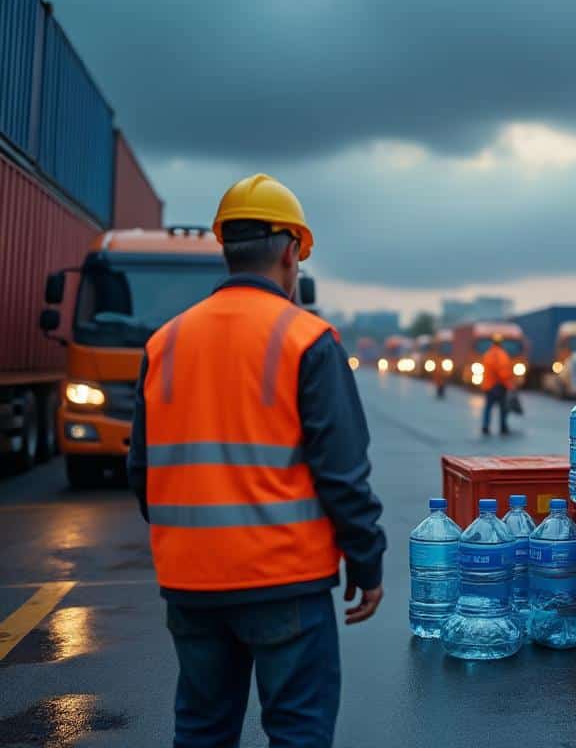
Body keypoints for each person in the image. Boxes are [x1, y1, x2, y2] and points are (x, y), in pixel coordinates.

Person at [128, 174, 386, 748]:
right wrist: (366, 563)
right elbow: (343, 475)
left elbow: (141, 473)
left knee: (202, 731)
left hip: (191, 583)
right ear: (292, 251)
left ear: (226, 248)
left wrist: (194, 546)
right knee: (297, 732)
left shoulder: (165, 343)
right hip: (284, 582)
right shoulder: (307, 340)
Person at [480, 333, 515, 435]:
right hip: (499, 386)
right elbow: (503, 372)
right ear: (501, 343)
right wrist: (509, 385)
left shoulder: (487, 354)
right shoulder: (502, 355)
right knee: (503, 408)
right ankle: (503, 427)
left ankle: (485, 426)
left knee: (488, 407)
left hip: (488, 386)